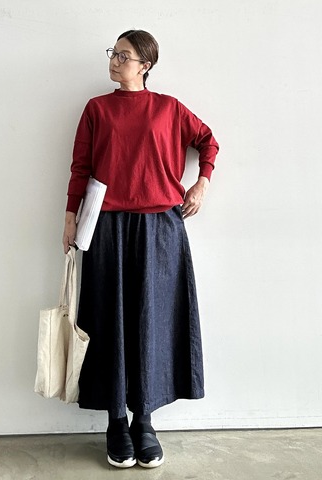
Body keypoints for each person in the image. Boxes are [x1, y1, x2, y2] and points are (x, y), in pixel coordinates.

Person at [62, 29, 219, 469]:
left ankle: (144, 420)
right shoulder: (97, 109)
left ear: (145, 65)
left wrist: (202, 183)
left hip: (161, 227)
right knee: (109, 319)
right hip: (106, 225)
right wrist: (70, 216)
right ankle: (116, 420)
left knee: (154, 320)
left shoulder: (169, 108)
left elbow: (208, 140)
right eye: (113, 53)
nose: (115, 61)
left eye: (124, 55)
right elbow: (80, 166)